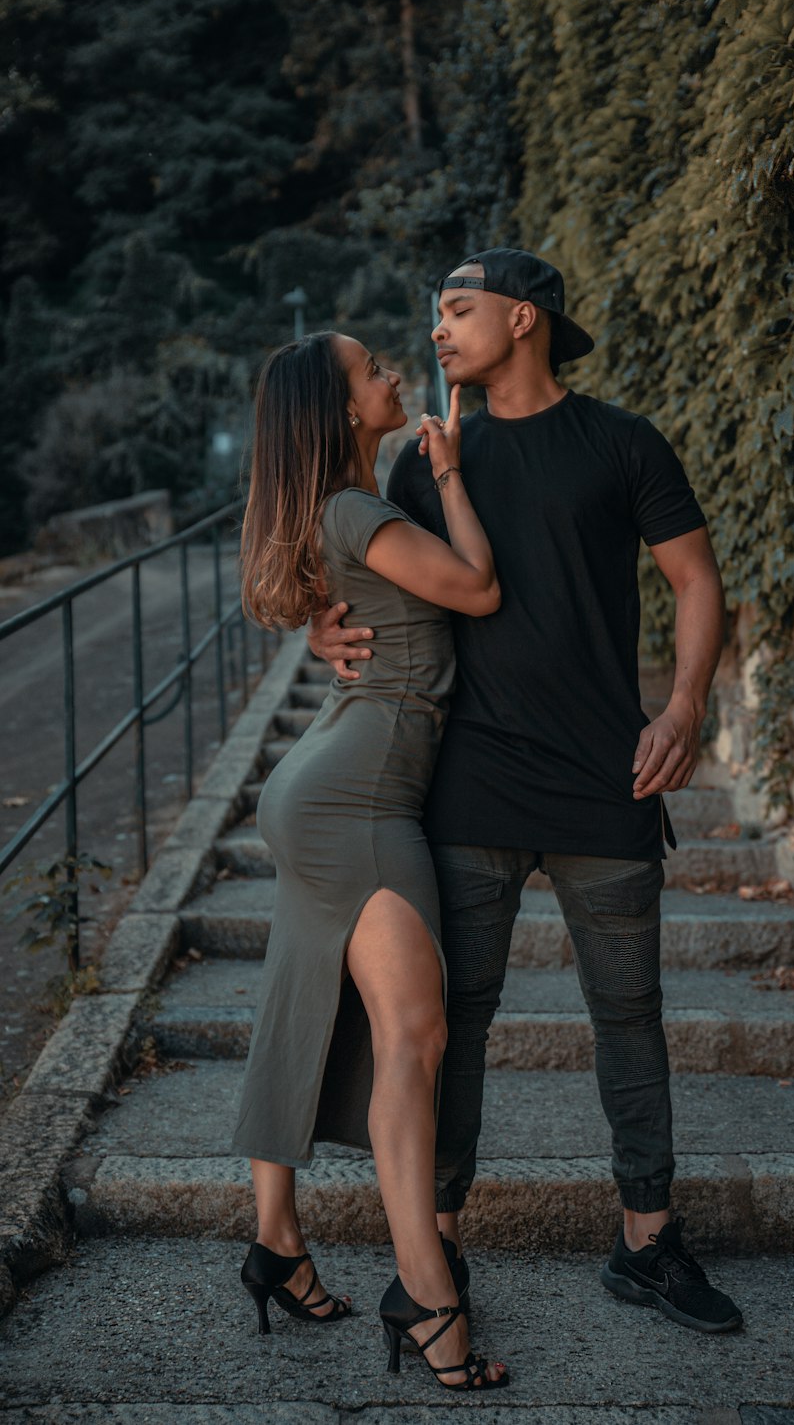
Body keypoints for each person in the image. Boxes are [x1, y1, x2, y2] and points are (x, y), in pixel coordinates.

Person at [308, 247, 743, 1335]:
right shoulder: (427, 459)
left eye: (458, 311)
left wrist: (683, 707)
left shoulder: (621, 442)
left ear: (524, 317)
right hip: (474, 781)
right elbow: (378, 579)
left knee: (629, 1018)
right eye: (437, 314)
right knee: (457, 1021)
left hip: (610, 777)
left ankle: (647, 1243)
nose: (440, 332)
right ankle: (439, 1247)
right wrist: (322, 627)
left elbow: (697, 578)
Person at [232, 329, 509, 1392]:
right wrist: (446, 470)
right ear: (345, 410)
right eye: (373, 370)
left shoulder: (323, 513)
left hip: (329, 780)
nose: (394, 374)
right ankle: (428, 1292)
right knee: (415, 1031)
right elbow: (477, 589)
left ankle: (277, 1243)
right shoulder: (356, 510)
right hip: (362, 794)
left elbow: (348, 611)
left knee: (303, 1002)